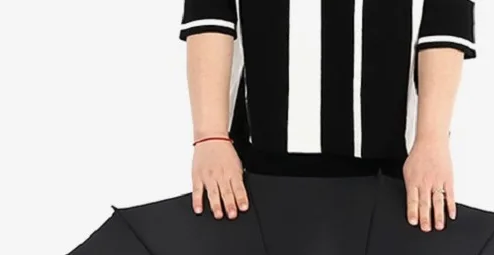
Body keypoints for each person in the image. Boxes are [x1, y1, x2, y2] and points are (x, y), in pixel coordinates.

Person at [180, 1, 475, 232]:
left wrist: (432, 140)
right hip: (260, 156)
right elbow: (210, 9)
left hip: (394, 162)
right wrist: (209, 136)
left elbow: (446, 13)